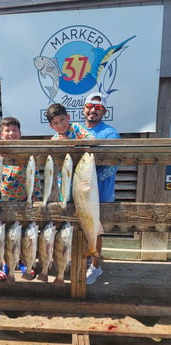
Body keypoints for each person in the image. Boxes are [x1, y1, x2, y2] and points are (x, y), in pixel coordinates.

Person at [0, 116, 42, 280]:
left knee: (24, 234)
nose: (11, 133)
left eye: (14, 130)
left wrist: (36, 195)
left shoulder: (27, 154)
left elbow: (35, 175)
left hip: (24, 201)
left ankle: (24, 262)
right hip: (1, 202)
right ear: (1, 134)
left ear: (20, 133)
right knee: (2, 236)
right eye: (7, 131)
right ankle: (4, 264)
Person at [82, 92, 120, 285]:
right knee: (79, 229)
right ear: (84, 108)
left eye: (98, 108)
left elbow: (112, 165)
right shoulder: (75, 131)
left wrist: (91, 183)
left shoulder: (110, 133)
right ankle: (80, 261)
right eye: (90, 106)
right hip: (80, 192)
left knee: (96, 230)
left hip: (101, 193)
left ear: (104, 111)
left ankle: (96, 266)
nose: (93, 110)